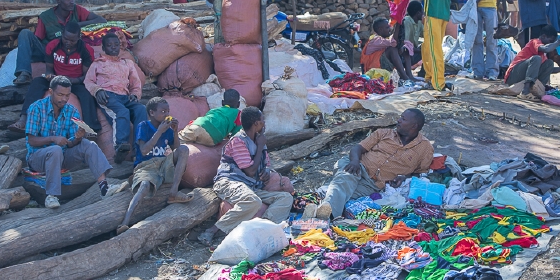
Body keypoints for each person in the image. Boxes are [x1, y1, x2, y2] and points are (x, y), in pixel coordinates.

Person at [309, 109, 433, 220]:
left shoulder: (425, 148)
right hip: (358, 166)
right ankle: (326, 217)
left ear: (414, 126)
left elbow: (421, 173)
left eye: (403, 119)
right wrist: (355, 162)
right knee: (345, 178)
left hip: (373, 184)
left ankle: (319, 208)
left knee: (343, 192)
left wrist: (404, 177)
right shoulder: (383, 133)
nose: (398, 120)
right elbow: (357, 148)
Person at [198, 107, 294, 245]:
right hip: (230, 182)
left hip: (249, 185)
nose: (264, 123)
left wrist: (266, 171)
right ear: (256, 124)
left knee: (285, 198)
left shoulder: (258, 139)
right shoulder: (239, 141)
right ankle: (212, 230)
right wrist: (260, 146)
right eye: (262, 120)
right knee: (253, 202)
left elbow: (266, 163)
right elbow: (250, 171)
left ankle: (263, 227)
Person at [25, 76, 112, 209]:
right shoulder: (36, 108)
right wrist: (53, 139)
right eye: (60, 95)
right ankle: (51, 196)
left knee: (89, 145)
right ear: (51, 92)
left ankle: (104, 187)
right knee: (55, 150)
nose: (64, 99)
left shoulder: (71, 110)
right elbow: (31, 140)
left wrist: (78, 137)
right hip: (37, 159)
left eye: (67, 95)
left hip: (62, 157)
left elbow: (70, 144)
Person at [9, 20, 101, 134]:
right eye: (66, 39)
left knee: (87, 95)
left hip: (76, 82)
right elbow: (49, 69)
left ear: (79, 38)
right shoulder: (52, 45)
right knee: (37, 83)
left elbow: (86, 76)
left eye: (72, 40)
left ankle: (91, 129)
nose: (68, 42)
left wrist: (72, 80)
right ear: (62, 34)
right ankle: (24, 119)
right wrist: (50, 76)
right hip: (57, 79)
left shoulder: (86, 50)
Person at [117, 97, 192, 234]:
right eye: (163, 111)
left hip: (162, 163)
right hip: (145, 166)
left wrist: (175, 132)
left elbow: (176, 149)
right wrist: (159, 132)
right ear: (152, 113)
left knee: (184, 149)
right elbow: (144, 151)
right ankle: (125, 222)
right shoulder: (143, 126)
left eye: (168, 111)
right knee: (144, 185)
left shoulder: (168, 129)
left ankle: (173, 192)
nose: (167, 114)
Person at [14, 0, 106, 86]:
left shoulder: (77, 10)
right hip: (49, 52)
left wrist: (77, 25)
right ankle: (24, 74)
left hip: (72, 51)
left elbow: (101, 20)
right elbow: (37, 39)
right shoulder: (45, 17)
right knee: (25, 33)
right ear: (58, 1)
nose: (72, 2)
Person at [84, 33, 147, 163]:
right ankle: (120, 147)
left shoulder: (127, 63)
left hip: (125, 96)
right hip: (107, 96)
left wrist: (135, 95)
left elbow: (136, 83)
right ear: (103, 48)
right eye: (109, 45)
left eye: (116, 45)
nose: (113, 47)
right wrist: (97, 91)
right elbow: (88, 81)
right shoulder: (98, 63)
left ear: (120, 46)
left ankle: (139, 148)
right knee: (121, 112)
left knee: (141, 109)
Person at [403, 0, 455, 91]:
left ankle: (438, 83)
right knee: (428, 47)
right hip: (443, 16)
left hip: (433, 16)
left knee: (434, 50)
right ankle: (430, 77)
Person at [465, 0, 503, 80]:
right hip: (475, 10)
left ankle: (492, 72)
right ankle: (478, 71)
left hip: (490, 8)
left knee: (491, 40)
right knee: (477, 39)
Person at [505, 26, 560, 99]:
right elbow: (547, 49)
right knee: (536, 58)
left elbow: (550, 69)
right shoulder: (535, 42)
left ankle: (537, 90)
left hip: (521, 76)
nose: (551, 44)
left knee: (549, 63)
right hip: (513, 76)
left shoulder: (542, 54)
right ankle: (525, 91)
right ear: (543, 36)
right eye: (550, 41)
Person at [360, 18, 417, 83]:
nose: (390, 29)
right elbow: (393, 43)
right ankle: (405, 77)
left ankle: (409, 75)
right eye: (387, 27)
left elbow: (401, 44)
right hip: (372, 70)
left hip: (382, 67)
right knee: (392, 49)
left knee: (404, 49)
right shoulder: (375, 40)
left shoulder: (385, 39)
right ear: (380, 29)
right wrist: (398, 25)